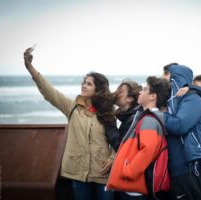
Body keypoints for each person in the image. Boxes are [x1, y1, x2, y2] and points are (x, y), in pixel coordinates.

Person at [23, 47, 115, 200]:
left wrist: (113, 157)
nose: (84, 86)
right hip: (77, 173)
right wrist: (30, 68)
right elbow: (49, 92)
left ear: (98, 89)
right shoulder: (72, 108)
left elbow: (117, 139)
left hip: (103, 173)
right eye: (84, 83)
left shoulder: (108, 112)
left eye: (89, 84)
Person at [106, 76, 171, 199]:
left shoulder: (149, 120)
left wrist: (128, 171)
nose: (140, 92)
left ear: (152, 96)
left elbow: (147, 151)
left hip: (134, 189)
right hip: (135, 186)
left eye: (145, 89)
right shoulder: (147, 118)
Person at [162, 63, 201, 200]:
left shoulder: (193, 99)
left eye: (165, 74)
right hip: (173, 167)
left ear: (175, 76)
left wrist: (160, 113)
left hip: (187, 167)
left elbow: (179, 126)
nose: (162, 78)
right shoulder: (171, 102)